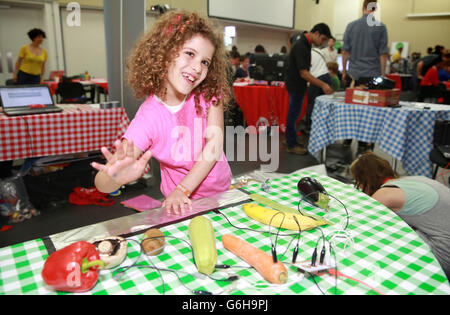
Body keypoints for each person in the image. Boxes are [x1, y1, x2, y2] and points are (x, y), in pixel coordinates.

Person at [92, 11, 232, 214]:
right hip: (180, 201)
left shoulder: (209, 93)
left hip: (220, 188)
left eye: (205, 62)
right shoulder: (148, 118)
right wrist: (115, 178)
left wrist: (183, 189)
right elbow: (102, 183)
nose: (197, 68)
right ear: (164, 52)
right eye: (190, 54)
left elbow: (215, 145)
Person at [350, 152, 450, 280]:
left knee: (381, 243)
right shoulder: (412, 180)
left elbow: (358, 220)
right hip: (442, 236)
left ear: (364, 181)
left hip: (444, 253)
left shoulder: (385, 195)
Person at [341, 0, 388, 152]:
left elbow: (345, 52)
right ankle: (364, 144)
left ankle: (347, 139)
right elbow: (382, 54)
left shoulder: (351, 26)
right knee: (369, 111)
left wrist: (344, 71)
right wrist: (382, 74)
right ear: (374, 9)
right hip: (373, 75)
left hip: (354, 74)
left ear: (362, 7)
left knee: (351, 108)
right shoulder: (381, 27)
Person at [284, 23, 333, 155]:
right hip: (296, 85)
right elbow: (304, 73)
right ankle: (291, 144)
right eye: (323, 39)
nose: (322, 42)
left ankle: (291, 139)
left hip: (296, 84)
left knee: (295, 114)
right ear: (316, 33)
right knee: (293, 115)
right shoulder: (302, 46)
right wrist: (322, 84)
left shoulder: (304, 43)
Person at [301, 47, 332, 134]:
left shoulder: (305, 53)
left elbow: (305, 71)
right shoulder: (319, 51)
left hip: (316, 79)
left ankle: (309, 126)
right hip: (326, 76)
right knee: (325, 104)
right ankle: (324, 126)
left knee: (311, 103)